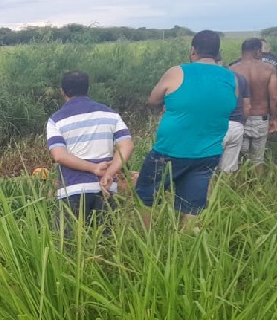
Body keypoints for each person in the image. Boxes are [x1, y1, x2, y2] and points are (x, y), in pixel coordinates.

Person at [135, 30, 237, 221]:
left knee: (147, 197)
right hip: (208, 154)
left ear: (193, 50)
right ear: (217, 52)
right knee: (191, 207)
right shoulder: (231, 78)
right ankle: (186, 244)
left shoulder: (177, 71)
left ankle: (144, 241)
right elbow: (226, 107)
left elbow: (153, 100)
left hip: (170, 151)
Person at [46, 71, 133, 230]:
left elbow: (59, 155)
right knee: (107, 246)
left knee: (68, 247)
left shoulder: (56, 120)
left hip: (72, 190)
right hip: (106, 189)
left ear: (62, 91)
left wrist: (92, 168)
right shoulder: (110, 114)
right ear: (87, 89)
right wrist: (109, 172)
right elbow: (126, 145)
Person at [230, 38, 277, 166]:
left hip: (238, 119)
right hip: (260, 118)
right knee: (257, 159)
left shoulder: (232, 70)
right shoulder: (269, 69)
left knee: (238, 160)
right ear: (257, 51)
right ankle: (258, 185)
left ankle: (239, 185)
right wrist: (274, 119)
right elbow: (274, 97)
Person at [218, 54, 251, 173]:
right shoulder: (240, 78)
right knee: (228, 170)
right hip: (236, 126)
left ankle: (211, 191)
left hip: (215, 126)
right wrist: (242, 123)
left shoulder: (211, 78)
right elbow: (247, 106)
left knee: (209, 169)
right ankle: (226, 190)